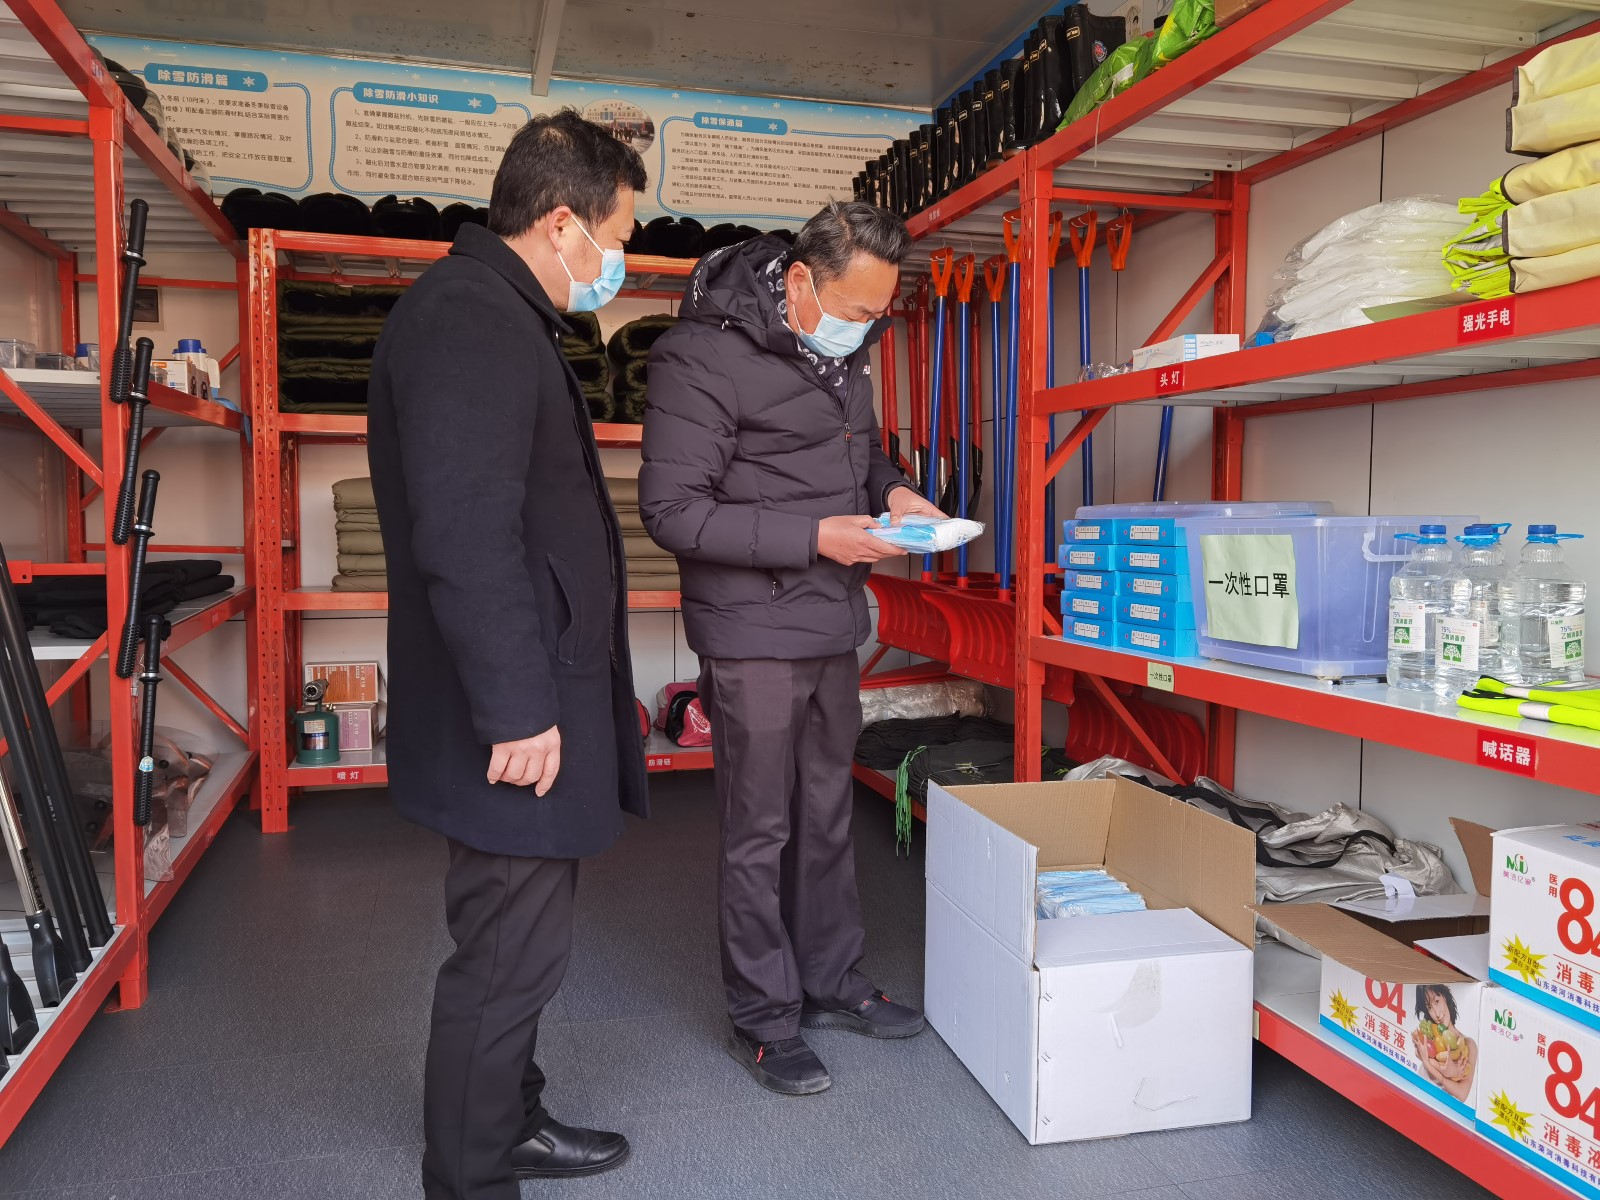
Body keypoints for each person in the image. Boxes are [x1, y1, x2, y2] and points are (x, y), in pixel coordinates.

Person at [366, 109, 649, 1200]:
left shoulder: (496, 311)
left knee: (523, 944)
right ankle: (471, 1177)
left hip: (525, 688)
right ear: (563, 222)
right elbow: (467, 531)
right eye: (616, 236)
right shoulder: (469, 319)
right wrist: (520, 709)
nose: (617, 262)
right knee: (504, 957)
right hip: (511, 710)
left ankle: (512, 1122)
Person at [640, 200, 944, 1096]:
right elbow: (674, 512)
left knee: (825, 813)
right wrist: (816, 536)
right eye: (855, 311)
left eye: (878, 316)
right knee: (759, 828)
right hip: (750, 631)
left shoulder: (841, 352)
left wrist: (895, 495)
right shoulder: (699, 356)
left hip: (829, 620)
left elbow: (858, 456)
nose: (865, 329)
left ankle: (834, 980)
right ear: (801, 281)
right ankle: (765, 1017)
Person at [1412, 984, 1477, 1103]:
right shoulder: (1430, 1033)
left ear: (1445, 998)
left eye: (1437, 1001)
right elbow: (1418, 1053)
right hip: (1417, 1094)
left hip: (1441, 1106)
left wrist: (1429, 1064)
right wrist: (1446, 1072)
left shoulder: (1468, 1044)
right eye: (1429, 1007)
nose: (1436, 1014)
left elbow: (1462, 1094)